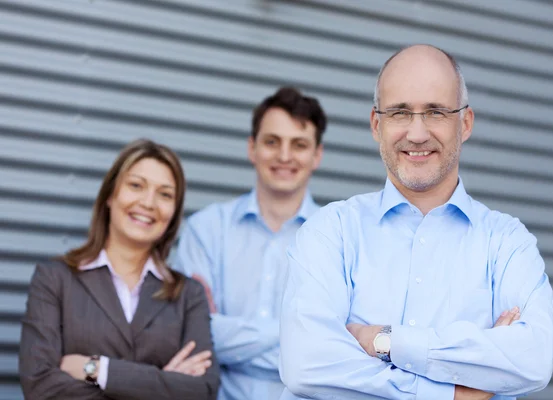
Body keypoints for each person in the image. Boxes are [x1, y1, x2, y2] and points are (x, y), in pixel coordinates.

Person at [278, 45, 553, 400]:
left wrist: (382, 341)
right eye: (399, 113)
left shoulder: (507, 243)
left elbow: (532, 360)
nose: (417, 133)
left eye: (436, 112)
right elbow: (307, 365)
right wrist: (453, 392)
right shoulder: (330, 231)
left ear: (465, 123)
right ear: (376, 125)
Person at [19, 139, 220, 400]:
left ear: (174, 213)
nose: (149, 203)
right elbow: (40, 385)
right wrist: (164, 385)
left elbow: (202, 391)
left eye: (165, 194)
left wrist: (97, 369)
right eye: (136, 185)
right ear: (110, 195)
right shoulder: (55, 279)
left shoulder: (188, 294)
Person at [173, 86, 327, 400]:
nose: (284, 156)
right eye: (272, 142)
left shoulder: (337, 239)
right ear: (251, 148)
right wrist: (294, 334)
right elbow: (194, 335)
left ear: (316, 156)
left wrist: (231, 338)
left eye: (298, 144)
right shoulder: (205, 230)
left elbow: (335, 350)